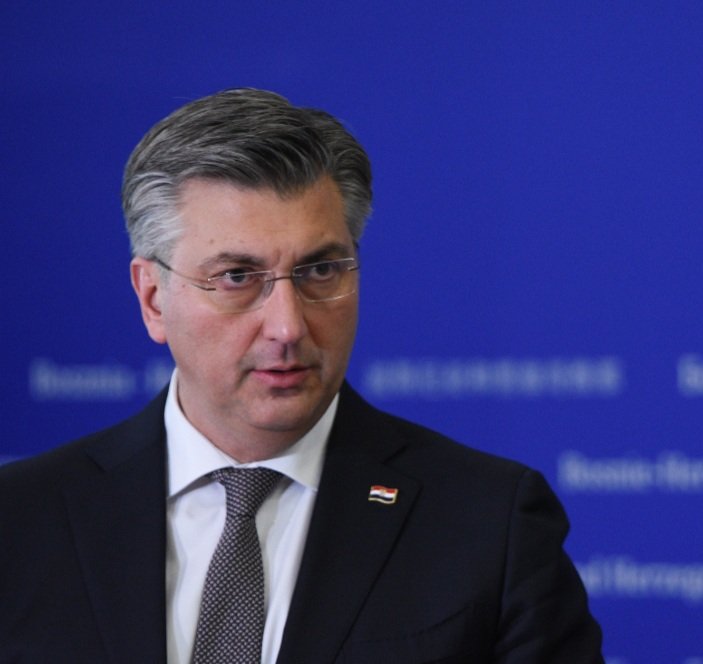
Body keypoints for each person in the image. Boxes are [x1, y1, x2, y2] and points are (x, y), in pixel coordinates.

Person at [0, 88, 603, 663]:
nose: (288, 326)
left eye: (320, 271)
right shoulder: (21, 522)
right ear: (154, 298)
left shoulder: (489, 524)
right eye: (237, 277)